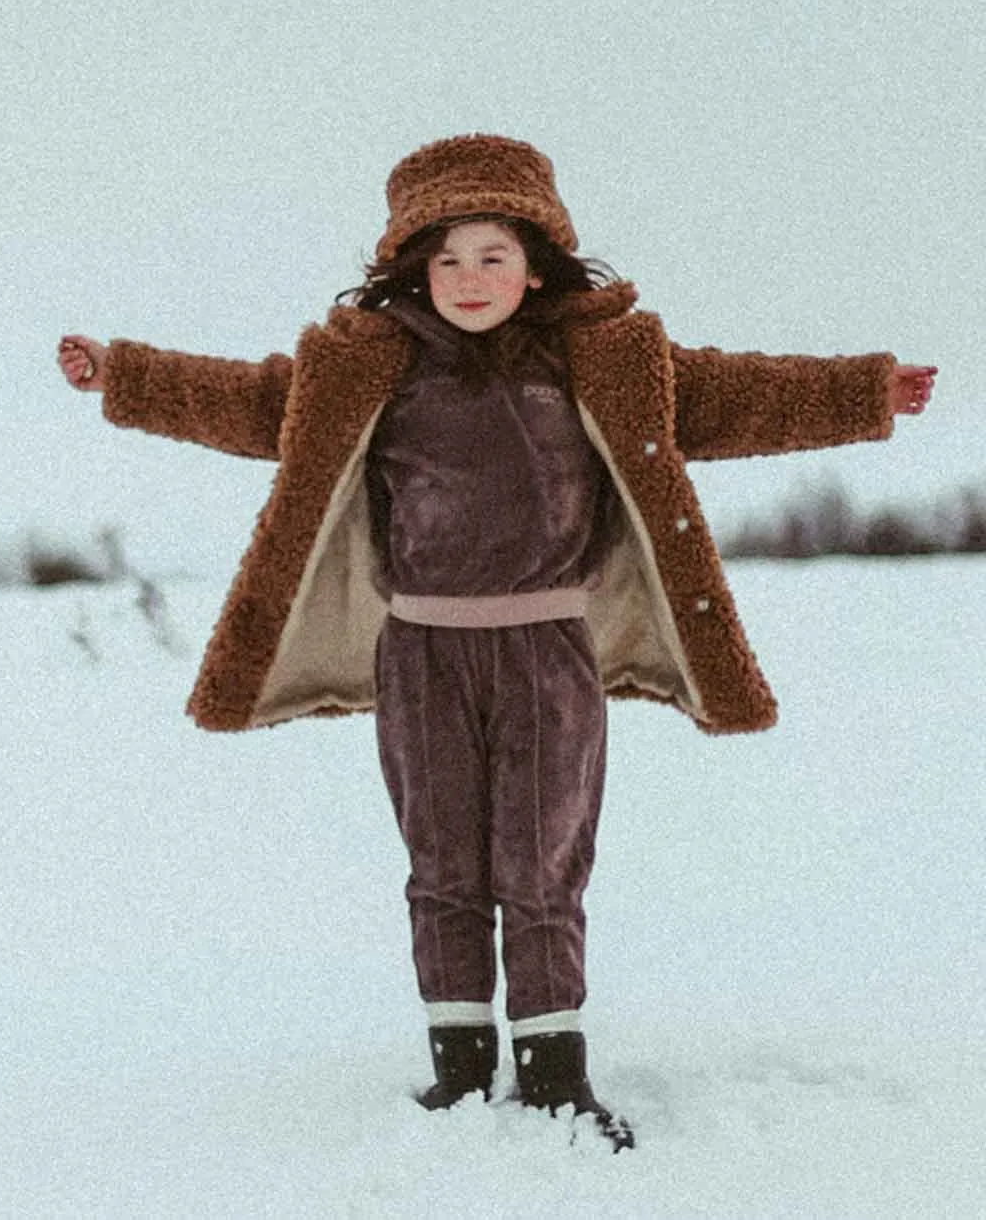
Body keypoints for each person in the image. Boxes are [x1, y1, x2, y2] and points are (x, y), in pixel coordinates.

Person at [57, 133, 936, 1152]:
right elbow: (250, 401)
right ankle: (459, 1070)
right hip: (420, 652)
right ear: (412, 269)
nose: (469, 279)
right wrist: (121, 375)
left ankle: (557, 1071)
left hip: (547, 651)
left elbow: (735, 396)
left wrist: (866, 392)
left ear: (537, 263)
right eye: (447, 258)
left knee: (541, 860)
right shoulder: (367, 368)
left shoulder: (604, 361)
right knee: (442, 865)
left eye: (493, 255)